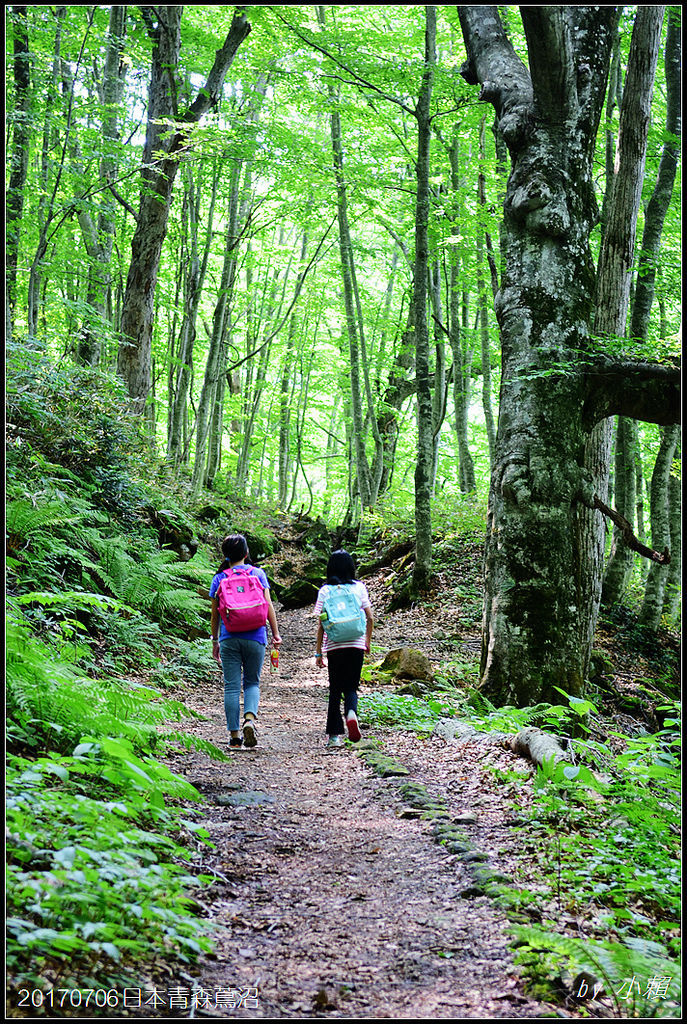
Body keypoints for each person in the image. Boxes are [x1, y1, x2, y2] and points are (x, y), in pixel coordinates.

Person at [210, 534, 281, 748]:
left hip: (230, 637)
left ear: (225, 555)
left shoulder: (219, 578)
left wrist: (215, 641)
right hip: (256, 636)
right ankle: (249, 720)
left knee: (231, 687)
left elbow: (215, 615)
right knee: (252, 682)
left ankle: (233, 737)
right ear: (247, 553)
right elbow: (268, 605)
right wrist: (275, 634)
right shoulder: (258, 574)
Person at [314, 549, 373, 749]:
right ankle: (351, 713)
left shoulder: (325, 590)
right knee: (351, 687)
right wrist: (367, 641)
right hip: (356, 643)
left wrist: (319, 652)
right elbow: (370, 617)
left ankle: (334, 737)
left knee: (335, 689)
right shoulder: (359, 588)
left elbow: (321, 623)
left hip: (335, 645)